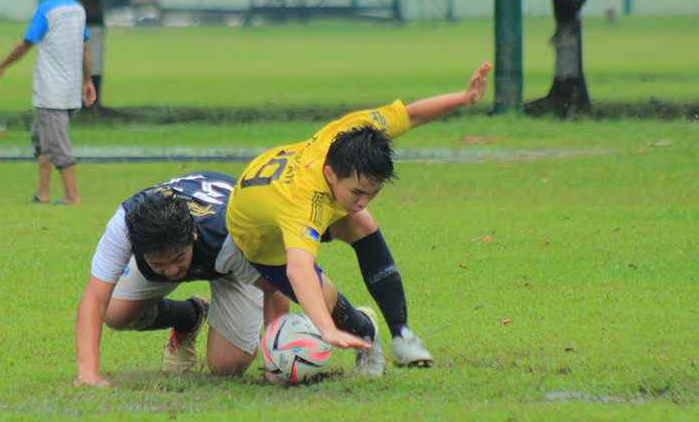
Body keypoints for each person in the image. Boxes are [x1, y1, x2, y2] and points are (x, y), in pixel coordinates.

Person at [226, 63, 491, 378]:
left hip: (290, 193)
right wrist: (326, 328)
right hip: (259, 237)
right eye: (357, 192)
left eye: (373, 192)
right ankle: (368, 333)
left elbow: (412, 115)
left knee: (361, 221)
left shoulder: (357, 132)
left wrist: (463, 98)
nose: (364, 200)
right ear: (330, 174)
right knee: (322, 299)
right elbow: (299, 269)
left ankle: (402, 334)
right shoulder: (304, 203)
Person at [73, 172, 289, 388]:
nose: (172, 270)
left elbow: (275, 290)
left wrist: (276, 363)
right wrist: (87, 374)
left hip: (232, 264)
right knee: (115, 313)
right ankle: (189, 315)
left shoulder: (234, 236)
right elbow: (95, 298)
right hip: (196, 240)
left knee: (226, 365)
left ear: (193, 233)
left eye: (178, 258)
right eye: (159, 262)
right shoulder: (123, 227)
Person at [0, 0, 97, 205]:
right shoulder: (77, 9)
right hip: (68, 90)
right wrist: (87, 81)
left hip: (51, 92)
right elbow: (85, 48)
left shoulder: (46, 10)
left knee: (57, 144)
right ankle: (43, 193)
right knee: (41, 138)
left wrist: (0, 67)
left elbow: (26, 44)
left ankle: (72, 196)